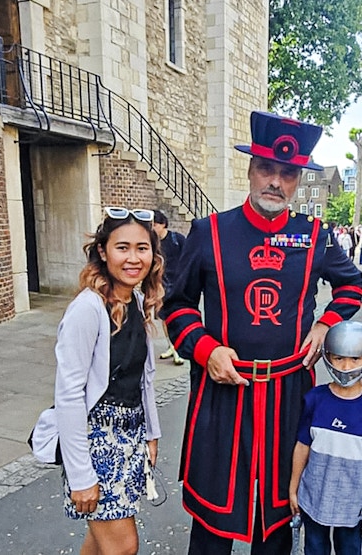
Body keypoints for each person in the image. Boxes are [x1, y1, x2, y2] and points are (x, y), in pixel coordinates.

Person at [162, 111, 362, 554]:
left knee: (275, 523)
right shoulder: (208, 232)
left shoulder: (316, 237)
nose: (276, 181)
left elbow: (353, 285)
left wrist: (327, 323)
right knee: (213, 521)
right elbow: (175, 306)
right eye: (266, 169)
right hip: (223, 394)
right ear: (251, 170)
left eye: (287, 174)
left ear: (297, 179)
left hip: (288, 395)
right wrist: (206, 349)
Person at [54, 206, 163, 555]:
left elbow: (143, 378)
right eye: (122, 247)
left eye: (142, 248)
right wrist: (81, 476)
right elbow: (68, 394)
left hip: (130, 437)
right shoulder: (88, 308)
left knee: (101, 542)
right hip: (96, 441)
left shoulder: (137, 300)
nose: (133, 258)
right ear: (103, 251)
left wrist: (151, 434)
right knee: (123, 546)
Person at [289, 320, 362, 555]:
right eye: (338, 358)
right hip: (315, 497)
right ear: (327, 357)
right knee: (315, 548)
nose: (346, 366)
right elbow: (302, 446)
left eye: (355, 359)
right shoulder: (315, 399)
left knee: (349, 549)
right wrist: (294, 487)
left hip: (354, 503)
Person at [153, 209, 186, 365]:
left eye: (155, 224)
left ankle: (179, 348)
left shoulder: (177, 239)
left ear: (163, 224)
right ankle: (171, 345)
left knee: (178, 315)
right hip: (161, 285)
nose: (152, 228)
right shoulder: (153, 243)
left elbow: (188, 258)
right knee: (164, 318)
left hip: (178, 284)